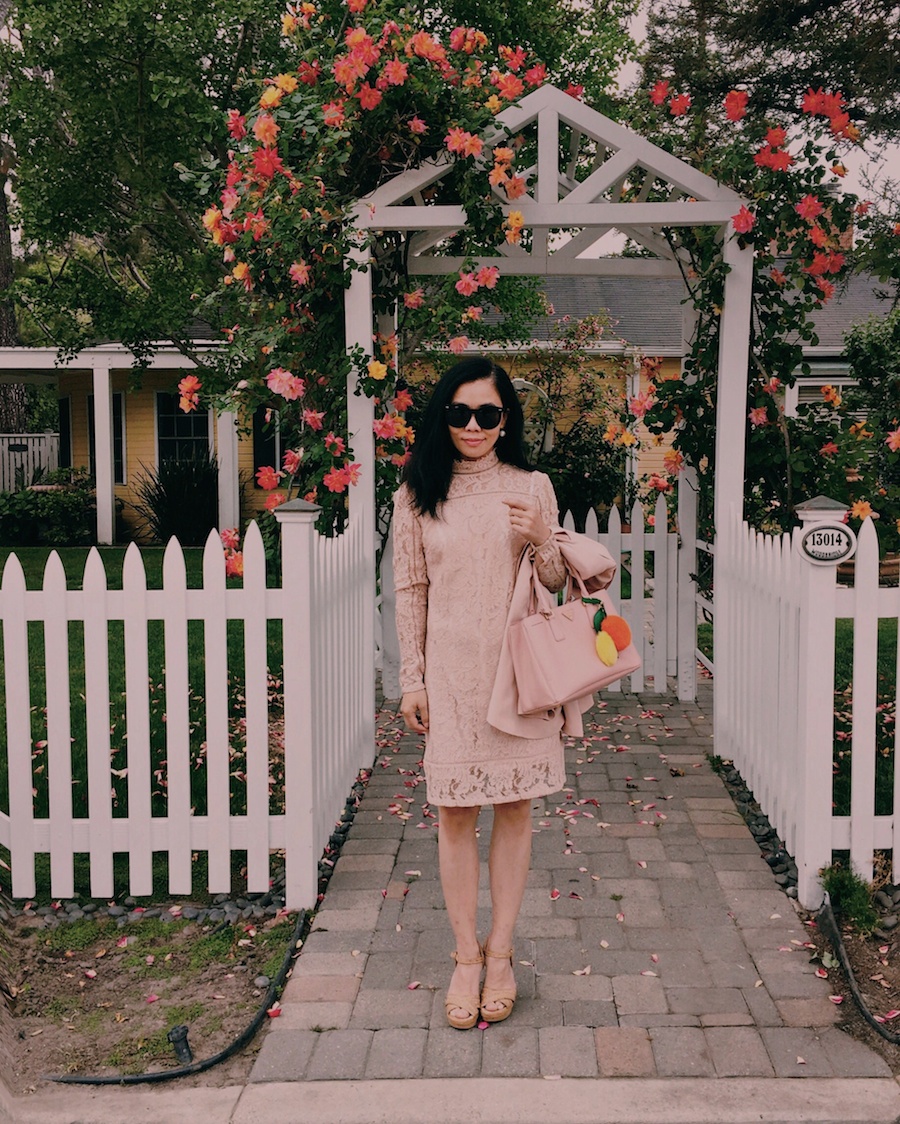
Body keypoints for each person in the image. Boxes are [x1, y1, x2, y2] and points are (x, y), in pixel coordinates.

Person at [392, 356, 569, 1030]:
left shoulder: (532, 485)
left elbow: (553, 580)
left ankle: (502, 954)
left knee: (516, 808)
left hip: (517, 675)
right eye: (460, 412)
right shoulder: (417, 492)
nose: (473, 425)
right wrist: (412, 677)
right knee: (456, 814)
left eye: (487, 414)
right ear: (444, 416)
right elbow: (410, 590)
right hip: (451, 679)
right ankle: (466, 956)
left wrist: (536, 538)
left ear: (505, 421)